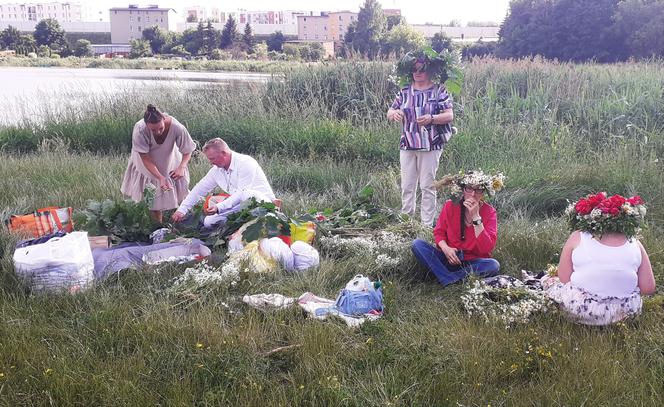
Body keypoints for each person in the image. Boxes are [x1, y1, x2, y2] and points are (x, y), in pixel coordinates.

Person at [544, 192, 656, 325]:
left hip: (582, 311)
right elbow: (648, 288)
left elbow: (564, 278)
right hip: (626, 313)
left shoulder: (578, 236)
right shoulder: (635, 242)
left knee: (550, 281)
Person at [386, 48, 455, 226]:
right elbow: (390, 110)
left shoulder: (439, 91)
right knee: (407, 186)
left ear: (430, 70)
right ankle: (406, 222)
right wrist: (394, 114)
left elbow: (449, 115)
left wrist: (432, 119)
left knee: (428, 186)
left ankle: (426, 225)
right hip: (407, 144)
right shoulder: (404, 91)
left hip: (431, 145)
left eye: (421, 69)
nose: (417, 73)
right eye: (414, 70)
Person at [411, 170, 505, 286]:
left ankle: (446, 277)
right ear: (463, 189)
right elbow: (439, 233)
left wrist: (476, 217)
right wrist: (446, 249)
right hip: (448, 257)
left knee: (493, 265)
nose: (472, 194)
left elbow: (486, 248)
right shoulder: (450, 205)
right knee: (417, 244)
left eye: (478, 190)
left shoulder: (489, 212)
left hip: (472, 262)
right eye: (469, 188)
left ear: (483, 192)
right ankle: (452, 277)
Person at [171, 138, 276, 228]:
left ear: (224, 154)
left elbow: (242, 193)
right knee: (209, 222)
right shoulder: (216, 171)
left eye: (212, 158)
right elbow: (199, 189)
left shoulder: (246, 163)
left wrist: (219, 207)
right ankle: (232, 231)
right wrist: (182, 210)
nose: (211, 162)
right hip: (240, 206)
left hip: (261, 204)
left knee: (246, 195)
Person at [120, 104, 196, 223]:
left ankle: (182, 224)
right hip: (146, 164)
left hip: (169, 159)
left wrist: (182, 166)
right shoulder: (140, 129)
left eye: (160, 128)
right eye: (153, 130)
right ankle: (157, 226)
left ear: (164, 119)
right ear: (146, 125)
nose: (158, 132)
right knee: (154, 201)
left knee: (182, 196)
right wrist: (160, 177)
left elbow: (188, 150)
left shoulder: (177, 127)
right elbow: (145, 158)